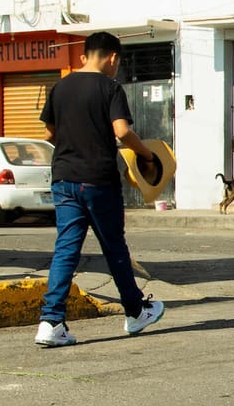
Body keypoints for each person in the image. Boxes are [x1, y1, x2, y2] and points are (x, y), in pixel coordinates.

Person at [33, 31, 166, 348]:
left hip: (64, 178)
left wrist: (73, 143)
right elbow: (122, 131)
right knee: (114, 248)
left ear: (84, 56)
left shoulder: (60, 87)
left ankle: (51, 322)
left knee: (66, 249)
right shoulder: (110, 88)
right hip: (98, 179)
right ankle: (135, 312)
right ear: (113, 58)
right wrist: (147, 156)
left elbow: (49, 132)